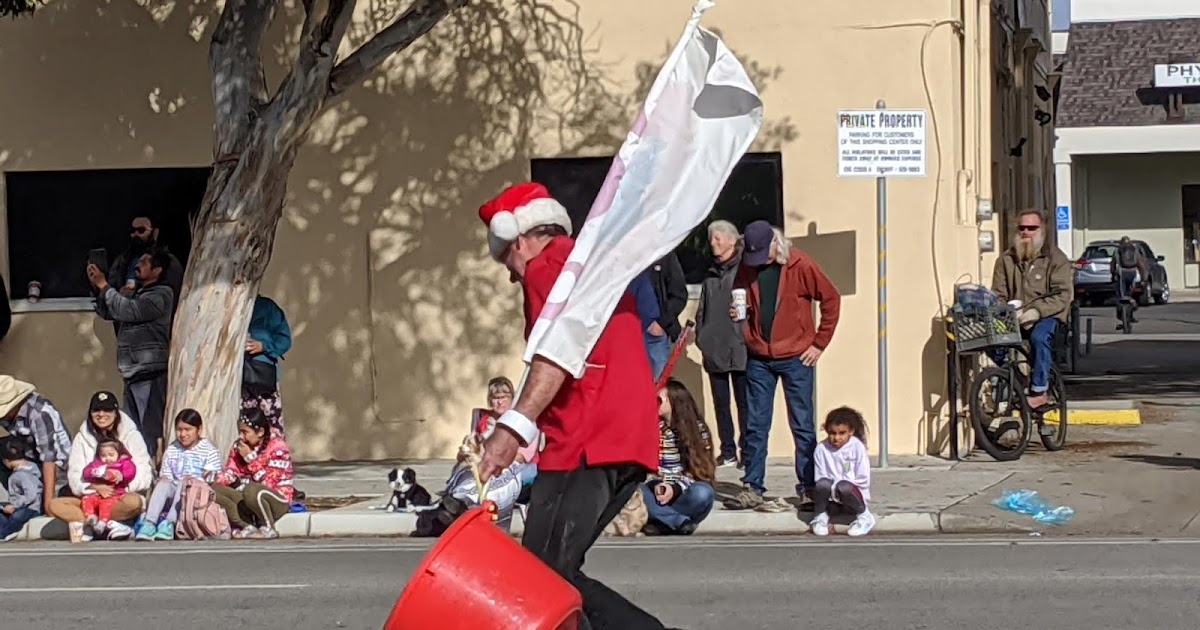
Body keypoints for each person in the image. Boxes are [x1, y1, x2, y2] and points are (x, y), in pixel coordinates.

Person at [475, 182, 670, 629]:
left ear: (517, 239)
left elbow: (557, 354)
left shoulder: (547, 269)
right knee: (556, 572)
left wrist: (511, 428)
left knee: (540, 577)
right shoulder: (583, 261)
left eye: (506, 260)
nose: (511, 276)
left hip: (586, 438)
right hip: (627, 436)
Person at [726, 221, 841, 512]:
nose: (757, 262)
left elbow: (831, 298)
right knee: (755, 424)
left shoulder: (801, 265)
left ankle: (808, 488)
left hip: (797, 356)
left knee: (802, 424)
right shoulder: (747, 266)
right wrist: (740, 319)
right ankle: (752, 487)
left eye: (762, 255)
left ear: (775, 244)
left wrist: (819, 343)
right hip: (759, 356)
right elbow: (741, 296)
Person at [87, 249, 175, 458]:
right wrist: (97, 286)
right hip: (132, 372)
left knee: (150, 430)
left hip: (149, 374)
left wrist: (105, 286)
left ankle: (153, 466)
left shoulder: (161, 295)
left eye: (144, 262)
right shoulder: (135, 293)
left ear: (157, 270)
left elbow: (129, 310)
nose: (138, 265)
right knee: (131, 429)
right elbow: (109, 311)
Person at [990, 209, 1073, 409]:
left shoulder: (1055, 258)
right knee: (991, 340)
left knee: (1039, 337)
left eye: (1032, 228)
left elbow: (1063, 294)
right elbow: (998, 293)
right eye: (1022, 228)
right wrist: (1005, 309)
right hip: (1015, 316)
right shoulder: (1006, 260)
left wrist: (1036, 311)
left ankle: (1040, 391)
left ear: (1042, 230)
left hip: (1049, 316)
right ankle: (1018, 378)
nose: (1026, 232)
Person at [47, 391, 154, 542]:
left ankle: (100, 525)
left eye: (107, 410)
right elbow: (75, 475)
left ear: (116, 412)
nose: (101, 414)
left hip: (120, 497)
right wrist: (96, 488)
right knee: (55, 505)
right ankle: (99, 525)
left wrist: (118, 489)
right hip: (91, 501)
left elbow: (144, 473)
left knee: (134, 502)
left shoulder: (132, 435)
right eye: (96, 410)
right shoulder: (82, 438)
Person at [695, 220, 749, 468]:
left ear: (731, 240)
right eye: (711, 239)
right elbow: (702, 308)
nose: (713, 243)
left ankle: (747, 451)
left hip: (739, 346)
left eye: (717, 238)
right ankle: (727, 451)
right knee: (721, 404)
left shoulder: (745, 270)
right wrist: (702, 337)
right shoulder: (710, 274)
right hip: (714, 347)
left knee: (744, 403)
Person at [641, 380, 716, 536]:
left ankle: (662, 522)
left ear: (674, 402)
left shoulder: (697, 430)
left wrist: (675, 489)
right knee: (633, 490)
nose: (654, 403)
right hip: (655, 491)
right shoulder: (650, 427)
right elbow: (642, 466)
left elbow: (702, 472)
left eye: (659, 400)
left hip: (682, 492)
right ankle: (677, 522)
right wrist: (656, 483)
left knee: (703, 493)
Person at [136, 408, 222, 541]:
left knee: (184, 482)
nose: (182, 434)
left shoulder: (209, 451)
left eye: (188, 430)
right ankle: (150, 522)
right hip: (175, 492)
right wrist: (166, 480)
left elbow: (212, 480)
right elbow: (166, 475)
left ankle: (169, 523)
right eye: (179, 430)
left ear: (198, 430)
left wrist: (196, 479)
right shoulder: (172, 449)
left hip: (196, 494)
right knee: (163, 483)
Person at [213, 407, 295, 539]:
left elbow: (268, 484)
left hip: (275, 499)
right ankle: (246, 525)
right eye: (240, 432)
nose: (241, 436)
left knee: (251, 490)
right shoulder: (239, 446)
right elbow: (231, 471)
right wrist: (214, 479)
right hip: (247, 497)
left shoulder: (278, 447)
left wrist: (250, 458)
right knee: (212, 490)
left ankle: (268, 527)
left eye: (245, 432)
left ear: (260, 432)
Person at [0, 376, 72, 507]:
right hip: (29, 455)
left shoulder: (39, 414)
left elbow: (49, 458)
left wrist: (49, 504)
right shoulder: (9, 415)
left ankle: (35, 502)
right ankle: (15, 497)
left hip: (56, 467)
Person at [809, 407, 874, 537]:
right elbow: (820, 476)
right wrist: (834, 491)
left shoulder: (857, 447)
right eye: (832, 433)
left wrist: (840, 489)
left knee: (844, 486)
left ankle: (864, 516)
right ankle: (821, 516)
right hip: (832, 496)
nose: (836, 438)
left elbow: (863, 478)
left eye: (842, 433)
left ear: (851, 431)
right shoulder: (821, 449)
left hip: (850, 493)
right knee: (822, 484)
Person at [105, 214, 185, 312]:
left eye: (141, 230)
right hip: (120, 315)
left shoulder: (168, 262)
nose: (136, 235)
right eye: (132, 230)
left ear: (155, 232)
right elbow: (112, 284)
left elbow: (167, 296)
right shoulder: (123, 259)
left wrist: (131, 294)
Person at [472, 377, 538, 488]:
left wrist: (497, 466)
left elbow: (523, 456)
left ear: (512, 398)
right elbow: (472, 446)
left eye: (504, 397)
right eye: (495, 398)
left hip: (517, 465)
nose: (500, 402)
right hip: (486, 464)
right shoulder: (483, 419)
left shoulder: (523, 419)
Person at [242, 294, 293, 435]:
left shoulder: (267, 307)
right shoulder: (226, 304)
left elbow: (285, 340)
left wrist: (264, 346)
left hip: (263, 377)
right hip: (236, 381)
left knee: (271, 425)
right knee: (243, 427)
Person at [79, 438, 138, 539]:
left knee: (106, 504)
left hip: (114, 494)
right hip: (97, 494)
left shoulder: (123, 463)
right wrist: (96, 472)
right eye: (103, 455)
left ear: (119, 453)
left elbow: (131, 471)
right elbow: (86, 473)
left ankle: (103, 523)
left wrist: (122, 475)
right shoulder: (97, 465)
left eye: (111, 455)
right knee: (86, 499)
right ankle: (91, 517)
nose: (107, 459)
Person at [645, 252, 688, 381]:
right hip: (627, 334)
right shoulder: (622, 254)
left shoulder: (664, 255)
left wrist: (661, 323)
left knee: (658, 386)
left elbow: (679, 295)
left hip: (655, 337)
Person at [0, 439, 43, 541]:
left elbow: (32, 494)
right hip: (20, 506)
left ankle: (5, 533)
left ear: (6, 461)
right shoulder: (26, 471)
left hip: (30, 508)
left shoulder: (22, 475)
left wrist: (15, 505)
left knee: (17, 516)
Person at [1111, 236, 1146, 329]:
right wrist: (1143, 278)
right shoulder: (1135, 250)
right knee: (1131, 294)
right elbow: (1141, 264)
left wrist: (1113, 275)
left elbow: (1113, 265)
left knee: (1120, 296)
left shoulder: (1117, 251)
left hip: (1122, 274)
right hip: (1133, 273)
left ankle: (1121, 315)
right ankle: (1131, 312)